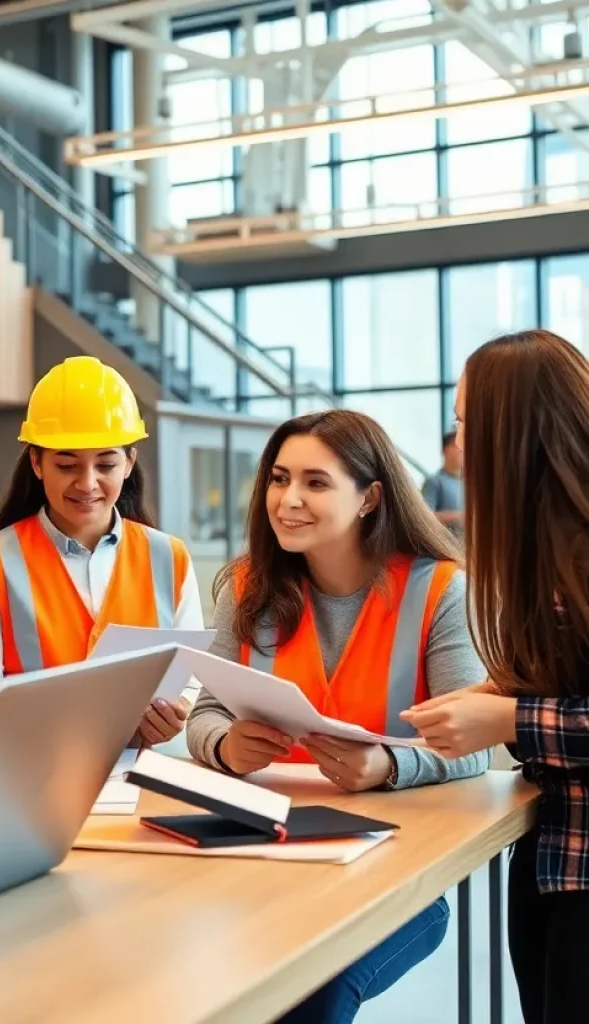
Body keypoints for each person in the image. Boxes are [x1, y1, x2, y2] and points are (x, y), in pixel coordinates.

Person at [186, 408, 490, 1024]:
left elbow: (477, 744)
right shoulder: (245, 586)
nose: (288, 499)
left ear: (370, 498)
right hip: (262, 855)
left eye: (315, 483)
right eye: (278, 478)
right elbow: (206, 713)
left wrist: (389, 765)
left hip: (398, 866)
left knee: (311, 993)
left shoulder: (439, 589)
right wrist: (223, 745)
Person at [403, 330, 589, 1024]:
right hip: (549, 860)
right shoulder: (535, 546)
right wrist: (494, 693)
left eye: (464, 420)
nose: (457, 442)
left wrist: (507, 718)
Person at [0, 356, 202, 746]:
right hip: (31, 771)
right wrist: (66, 713)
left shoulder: (170, 558)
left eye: (106, 464)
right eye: (67, 465)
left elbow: (190, 679)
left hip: (145, 771)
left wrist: (174, 712)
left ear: (129, 463)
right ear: (37, 462)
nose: (87, 484)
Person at [422, 431, 464, 535]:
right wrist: (458, 516)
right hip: (445, 547)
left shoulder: (470, 485)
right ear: (445, 450)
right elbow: (423, 517)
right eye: (458, 446)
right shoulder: (434, 481)